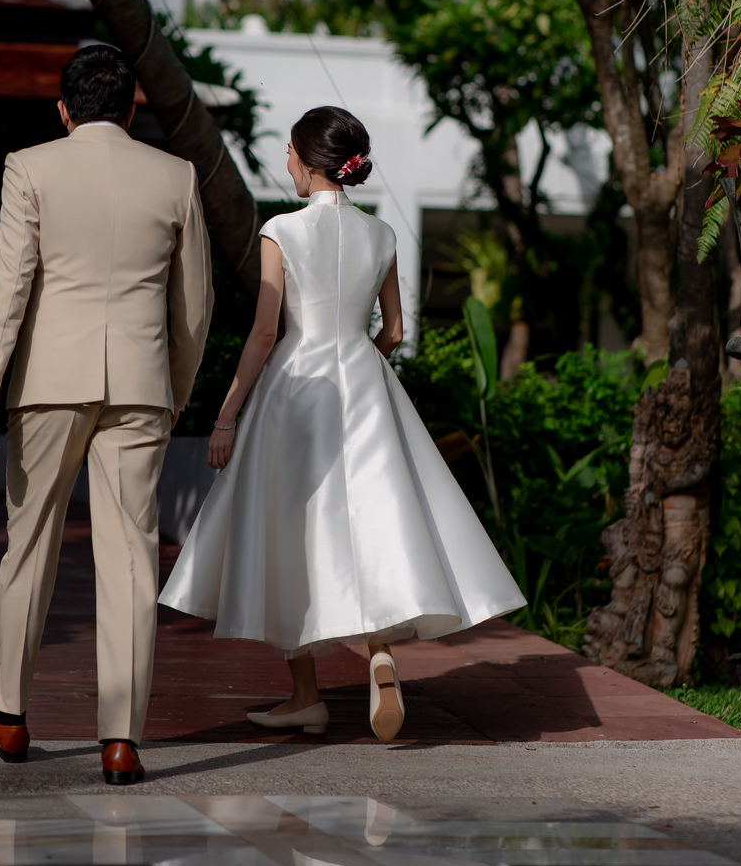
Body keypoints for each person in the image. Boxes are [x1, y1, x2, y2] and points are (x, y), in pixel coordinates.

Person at [159, 105, 524, 742]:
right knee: (370, 525)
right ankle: (380, 656)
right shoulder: (380, 235)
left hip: (295, 391)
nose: (287, 166)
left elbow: (266, 332)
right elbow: (396, 332)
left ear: (305, 159)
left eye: (290, 155)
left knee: (290, 530)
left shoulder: (281, 230)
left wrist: (225, 415)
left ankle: (306, 696)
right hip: (365, 386)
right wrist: (363, 365)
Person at [0, 45, 212, 785]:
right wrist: (175, 389)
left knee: (29, 542)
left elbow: (9, 287)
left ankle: (7, 712)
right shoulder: (176, 175)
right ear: (133, 107)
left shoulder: (31, 166)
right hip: (139, 386)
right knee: (133, 558)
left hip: (47, 382)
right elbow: (194, 305)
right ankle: (121, 739)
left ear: (62, 108)